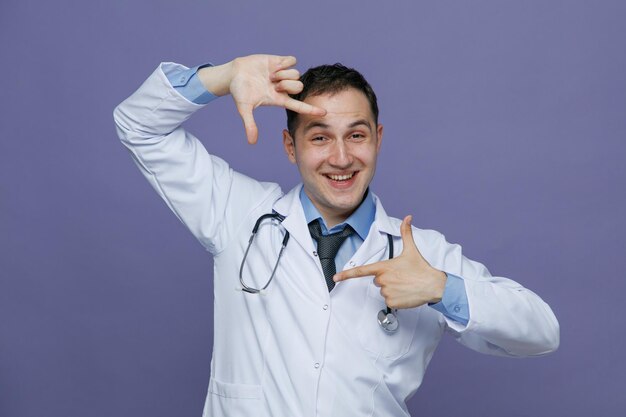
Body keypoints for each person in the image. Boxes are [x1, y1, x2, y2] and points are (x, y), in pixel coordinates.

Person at [114, 54, 559, 417]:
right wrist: (224, 76)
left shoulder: (420, 253)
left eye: (357, 135)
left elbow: (541, 331)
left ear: (378, 139)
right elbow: (137, 125)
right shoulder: (238, 213)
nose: (342, 157)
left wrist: (442, 289)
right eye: (320, 137)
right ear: (291, 147)